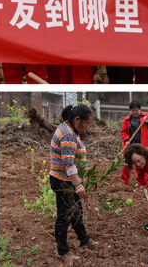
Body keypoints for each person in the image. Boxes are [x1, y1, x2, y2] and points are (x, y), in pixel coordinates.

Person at [50, 104, 98, 262]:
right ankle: (62, 252)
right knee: (64, 216)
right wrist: (78, 185)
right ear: (77, 119)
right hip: (64, 181)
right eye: (87, 123)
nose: (87, 127)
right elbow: (69, 163)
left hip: (66, 180)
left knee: (76, 212)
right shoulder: (69, 135)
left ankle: (84, 240)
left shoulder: (68, 127)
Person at [121, 101, 148, 184]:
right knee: (126, 162)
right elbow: (124, 131)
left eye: (136, 110)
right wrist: (126, 139)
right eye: (133, 110)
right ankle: (124, 180)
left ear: (140, 109)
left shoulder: (146, 116)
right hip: (130, 144)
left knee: (143, 163)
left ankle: (146, 182)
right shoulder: (126, 120)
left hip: (142, 145)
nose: (135, 112)